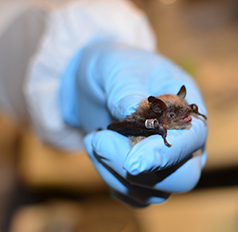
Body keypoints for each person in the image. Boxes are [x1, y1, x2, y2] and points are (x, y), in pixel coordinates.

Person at [0, 0, 208, 207]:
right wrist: (71, 76)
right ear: (159, 114)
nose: (185, 117)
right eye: (174, 115)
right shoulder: (149, 120)